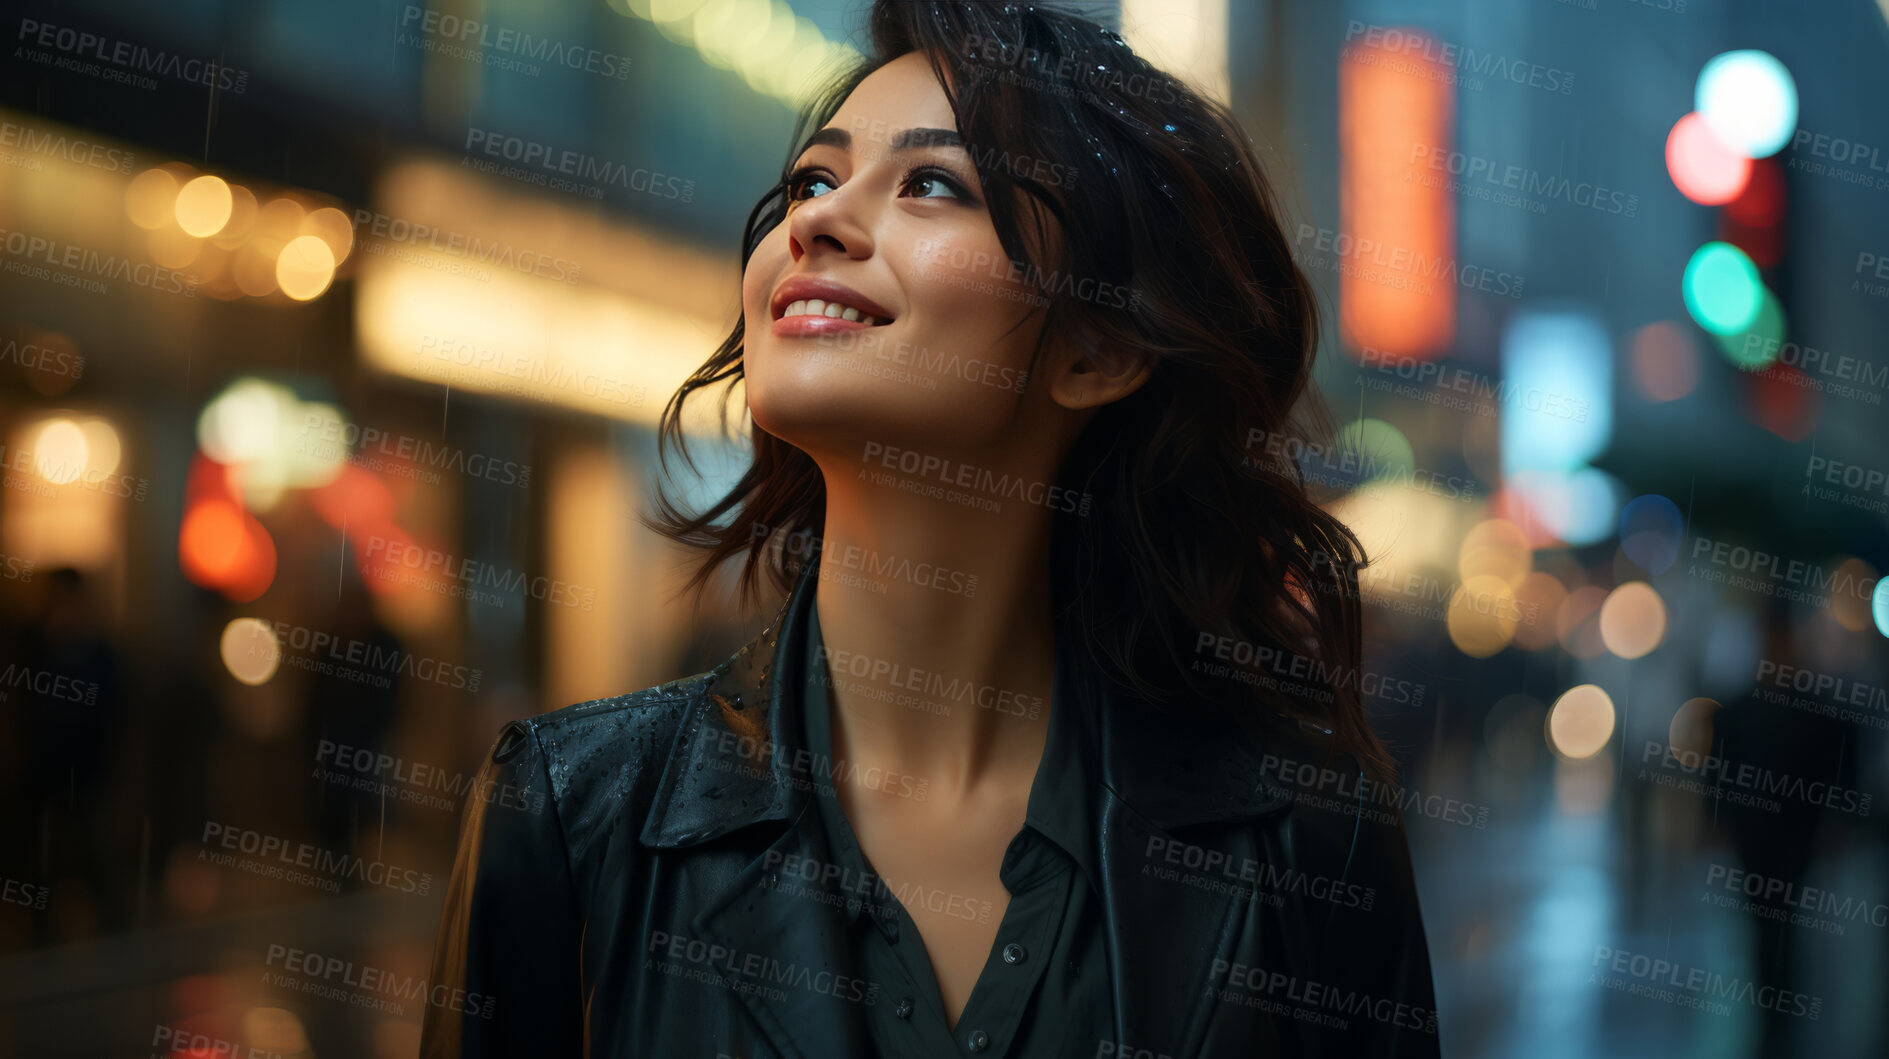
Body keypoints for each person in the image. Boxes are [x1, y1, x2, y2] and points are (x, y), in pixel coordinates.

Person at [422, 3, 1438, 1056]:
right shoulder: (568, 812)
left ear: (1095, 351)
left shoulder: (1302, 836)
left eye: (930, 185)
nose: (813, 222)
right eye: (812, 181)